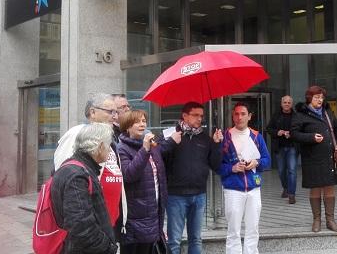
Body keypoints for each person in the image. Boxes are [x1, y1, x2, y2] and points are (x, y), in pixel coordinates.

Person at [53, 93, 123, 229]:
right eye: (110, 111)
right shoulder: (76, 134)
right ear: (93, 112)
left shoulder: (108, 137)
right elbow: (64, 177)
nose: (115, 116)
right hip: (89, 225)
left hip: (106, 220)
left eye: (116, 112)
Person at [163, 102, 222, 254]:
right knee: (174, 240)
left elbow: (215, 166)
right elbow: (159, 160)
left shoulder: (205, 138)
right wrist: (170, 143)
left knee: (195, 239)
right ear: (184, 116)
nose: (199, 119)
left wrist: (216, 144)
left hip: (199, 195)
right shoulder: (170, 135)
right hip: (176, 196)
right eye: (195, 115)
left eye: (201, 116)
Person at [50, 123, 118, 254]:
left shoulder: (78, 169)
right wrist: (108, 248)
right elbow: (82, 228)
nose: (110, 150)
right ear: (100, 147)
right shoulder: (77, 175)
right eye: (108, 145)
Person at [117, 110, 175, 253]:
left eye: (144, 121)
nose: (142, 124)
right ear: (127, 126)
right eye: (137, 122)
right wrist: (144, 149)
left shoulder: (152, 146)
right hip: (135, 215)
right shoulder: (122, 148)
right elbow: (129, 175)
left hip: (153, 211)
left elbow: (159, 176)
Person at [291, 86, 337, 233]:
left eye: (322, 97)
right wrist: (311, 137)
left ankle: (330, 220)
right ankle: (316, 220)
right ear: (309, 98)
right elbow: (294, 134)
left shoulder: (327, 112)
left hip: (329, 157)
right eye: (317, 97)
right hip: (311, 158)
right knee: (315, 188)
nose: (320, 100)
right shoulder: (300, 114)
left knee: (329, 187)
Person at [219, 102, 271, 254]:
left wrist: (257, 162)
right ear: (232, 116)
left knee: (253, 229)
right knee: (233, 230)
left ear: (249, 116)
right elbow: (217, 166)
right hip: (233, 189)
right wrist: (232, 168)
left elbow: (267, 160)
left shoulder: (256, 136)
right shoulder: (225, 136)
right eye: (236, 114)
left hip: (254, 189)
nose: (239, 117)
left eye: (243, 114)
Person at [266, 95, 297, 204]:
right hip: (279, 147)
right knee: (281, 171)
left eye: (289, 102)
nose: (287, 104)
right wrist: (278, 132)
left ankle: (291, 194)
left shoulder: (296, 116)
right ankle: (286, 187)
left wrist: (292, 134)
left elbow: (300, 130)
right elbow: (268, 129)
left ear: (291, 104)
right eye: (285, 102)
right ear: (281, 104)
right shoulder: (276, 115)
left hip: (292, 146)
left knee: (292, 170)